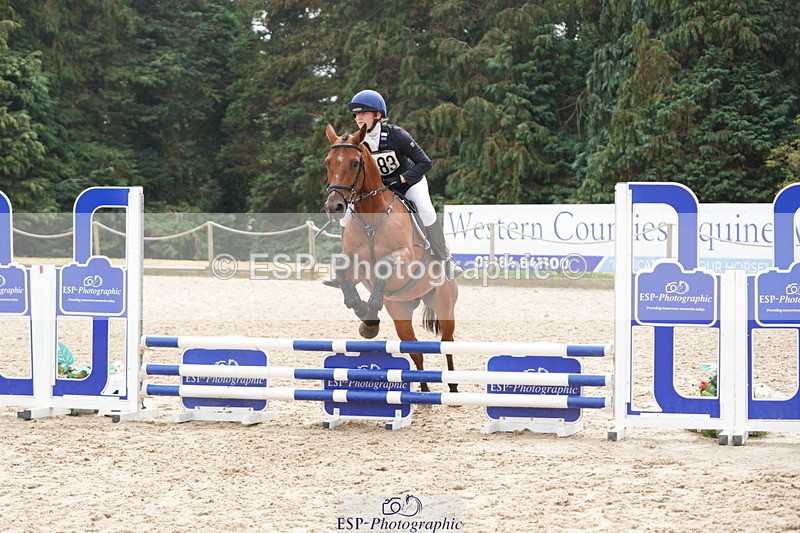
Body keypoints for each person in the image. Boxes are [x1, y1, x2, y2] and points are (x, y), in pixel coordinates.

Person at [324, 89, 461, 287]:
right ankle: (343, 266)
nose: (358, 117)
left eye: (364, 113)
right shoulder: (355, 141)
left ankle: (445, 260)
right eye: (356, 114)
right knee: (346, 216)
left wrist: (401, 179)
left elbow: (425, 163)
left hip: (408, 182)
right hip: (376, 191)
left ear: (378, 115)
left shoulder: (396, 135)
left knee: (426, 210)